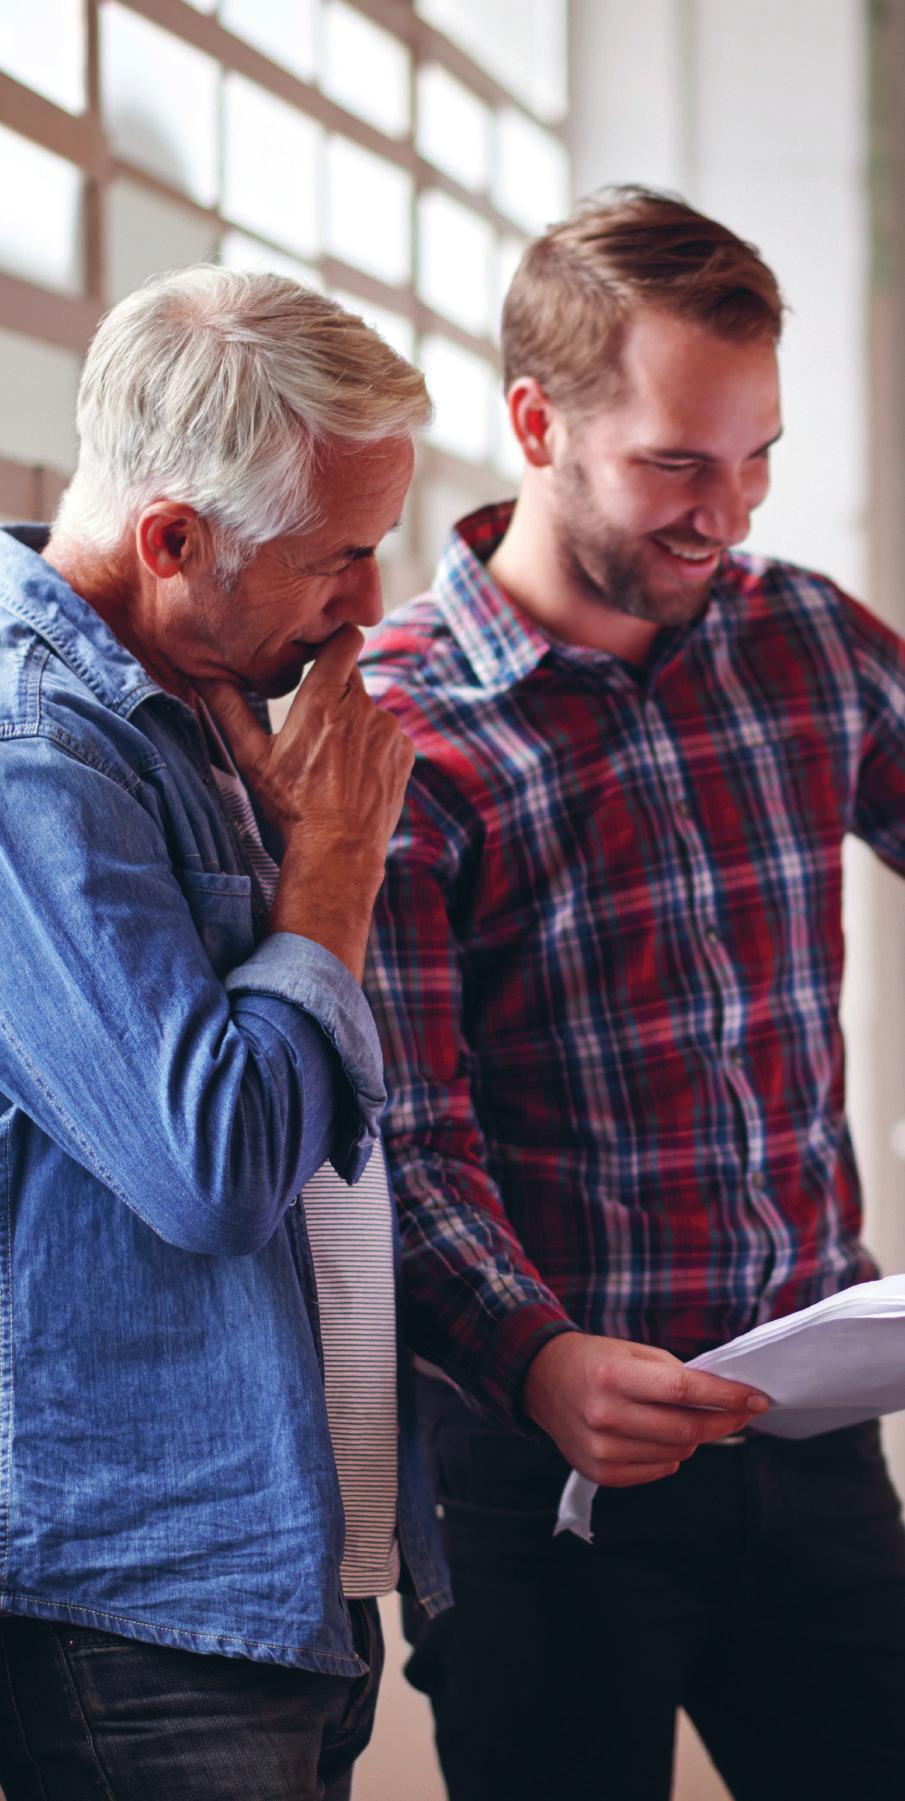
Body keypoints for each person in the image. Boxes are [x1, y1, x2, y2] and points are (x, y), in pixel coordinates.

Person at [360, 187, 905, 1801]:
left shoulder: (802, 637)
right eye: (677, 461)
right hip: (544, 1478)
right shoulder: (397, 730)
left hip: (813, 1439)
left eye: (755, 459)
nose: (723, 513)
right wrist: (533, 1356)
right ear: (535, 420)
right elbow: (397, 1129)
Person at [0, 265, 450, 1801]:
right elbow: (215, 1166)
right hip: (144, 1596)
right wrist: (328, 870)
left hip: (277, 1559)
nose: (368, 609)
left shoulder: (203, 699)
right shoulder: (33, 758)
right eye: (338, 559)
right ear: (174, 538)